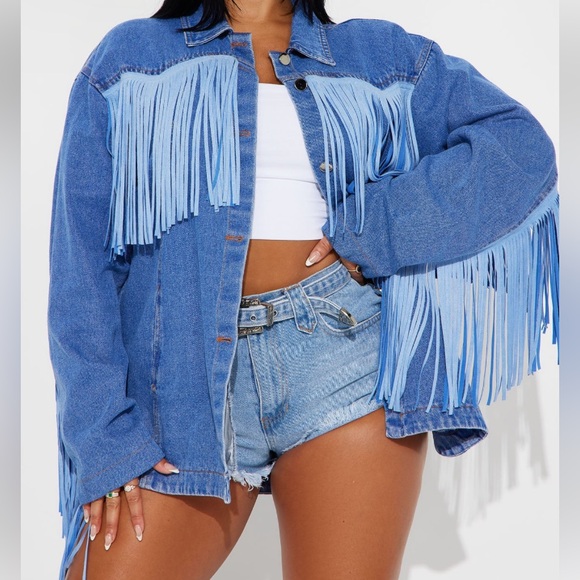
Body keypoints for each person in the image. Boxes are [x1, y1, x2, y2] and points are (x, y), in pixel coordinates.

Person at [48, 0, 559, 578]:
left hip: (345, 358)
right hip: (181, 386)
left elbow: (520, 149)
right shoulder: (129, 58)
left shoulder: (379, 55)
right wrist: (103, 438)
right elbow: (80, 267)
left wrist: (374, 230)